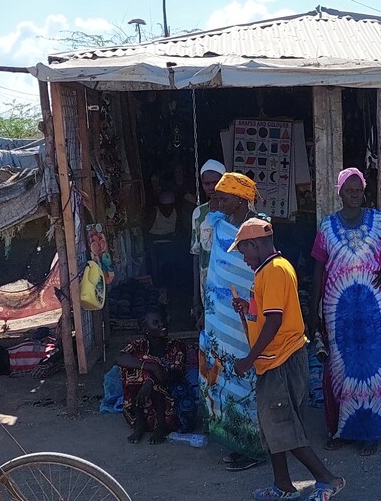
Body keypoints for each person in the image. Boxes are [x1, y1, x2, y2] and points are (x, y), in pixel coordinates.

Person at [229, 217, 345, 501]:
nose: (243, 257)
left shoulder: (276, 271)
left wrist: (248, 359)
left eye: (243, 250)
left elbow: (275, 321)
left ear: (255, 244)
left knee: (284, 427)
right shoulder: (268, 271)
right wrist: (248, 306)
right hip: (274, 361)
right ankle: (282, 484)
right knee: (273, 426)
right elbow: (267, 313)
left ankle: (327, 479)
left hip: (280, 360)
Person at [312, 167, 381, 455]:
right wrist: (313, 309)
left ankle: (371, 432)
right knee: (341, 370)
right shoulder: (327, 227)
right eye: (349, 190)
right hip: (337, 312)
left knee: (372, 370)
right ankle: (341, 430)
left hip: (371, 310)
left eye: (359, 190)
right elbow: (318, 268)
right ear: (339, 192)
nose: (354, 195)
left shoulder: (378, 221)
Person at [197, 172, 268, 468]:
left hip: (247, 316)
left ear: (240, 198)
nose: (217, 202)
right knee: (221, 374)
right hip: (220, 318)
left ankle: (254, 447)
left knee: (246, 376)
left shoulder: (259, 227)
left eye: (223, 197)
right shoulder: (218, 224)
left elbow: (261, 269)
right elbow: (210, 264)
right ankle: (235, 439)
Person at [115, 309, 190, 445]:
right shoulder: (140, 345)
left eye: (162, 320)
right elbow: (120, 358)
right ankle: (139, 423)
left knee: (151, 368)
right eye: (156, 322)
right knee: (134, 367)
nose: (162, 324)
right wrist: (151, 368)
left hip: (170, 400)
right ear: (145, 329)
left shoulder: (176, 346)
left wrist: (151, 380)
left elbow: (174, 374)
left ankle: (161, 426)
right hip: (144, 399)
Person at [191, 160, 226, 312]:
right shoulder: (199, 214)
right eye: (207, 183)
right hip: (208, 281)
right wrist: (195, 299)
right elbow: (196, 254)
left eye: (215, 182)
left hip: (231, 279)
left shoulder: (237, 209)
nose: (211, 187)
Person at [147, 188, 184, 293]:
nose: (168, 209)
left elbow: (178, 231)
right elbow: (146, 234)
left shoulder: (176, 212)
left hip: (172, 244)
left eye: (170, 206)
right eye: (165, 207)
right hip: (156, 244)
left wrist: (173, 237)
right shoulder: (155, 212)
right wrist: (164, 237)